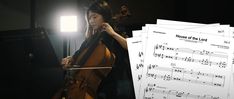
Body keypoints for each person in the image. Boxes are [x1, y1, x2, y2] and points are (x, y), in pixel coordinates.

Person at [61, 1, 135, 99]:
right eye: (89, 18)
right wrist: (70, 59)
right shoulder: (92, 39)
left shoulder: (115, 32)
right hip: (99, 86)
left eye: (94, 17)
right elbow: (78, 54)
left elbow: (132, 47)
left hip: (116, 83)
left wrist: (113, 34)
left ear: (104, 16)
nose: (91, 21)